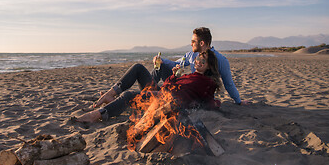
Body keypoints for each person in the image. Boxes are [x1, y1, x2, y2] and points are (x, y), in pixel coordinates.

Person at [76, 49, 222, 123]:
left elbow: (208, 101)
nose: (197, 63)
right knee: (138, 67)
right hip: (163, 94)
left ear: (209, 67)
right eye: (197, 59)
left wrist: (216, 104)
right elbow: (167, 85)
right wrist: (173, 76)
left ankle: (97, 115)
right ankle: (111, 94)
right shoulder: (191, 75)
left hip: (166, 103)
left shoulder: (207, 82)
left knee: (129, 95)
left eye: (202, 62)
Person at [152, 27, 249, 105]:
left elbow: (228, 84)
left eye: (193, 41)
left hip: (198, 95)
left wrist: (238, 101)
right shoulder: (191, 55)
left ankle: (151, 96)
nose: (191, 44)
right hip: (187, 88)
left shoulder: (221, 60)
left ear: (201, 43)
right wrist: (160, 60)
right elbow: (176, 64)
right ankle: (149, 91)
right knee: (161, 66)